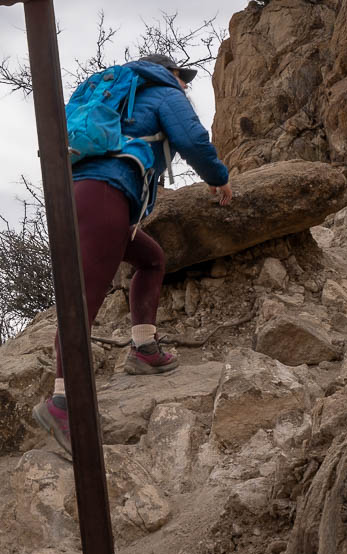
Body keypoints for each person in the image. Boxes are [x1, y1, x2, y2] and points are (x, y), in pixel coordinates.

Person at [33, 53, 233, 456]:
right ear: (171, 73)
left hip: (75, 197)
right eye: (184, 78)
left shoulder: (117, 96)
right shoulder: (162, 90)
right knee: (83, 300)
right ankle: (62, 403)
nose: (186, 86)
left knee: (151, 259)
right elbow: (192, 138)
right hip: (104, 195)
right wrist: (219, 179)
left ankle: (144, 350)